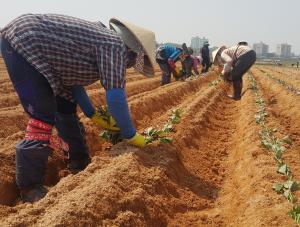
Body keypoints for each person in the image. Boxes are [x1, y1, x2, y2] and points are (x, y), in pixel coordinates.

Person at [1, 14, 156, 202]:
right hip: (25, 43)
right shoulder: (115, 45)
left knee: (65, 107)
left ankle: (79, 161)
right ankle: (29, 187)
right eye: (134, 61)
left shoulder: (101, 38)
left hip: (44, 56)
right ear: (133, 52)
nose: (130, 66)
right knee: (43, 115)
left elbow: (75, 84)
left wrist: (92, 113)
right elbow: (115, 97)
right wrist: (131, 134)